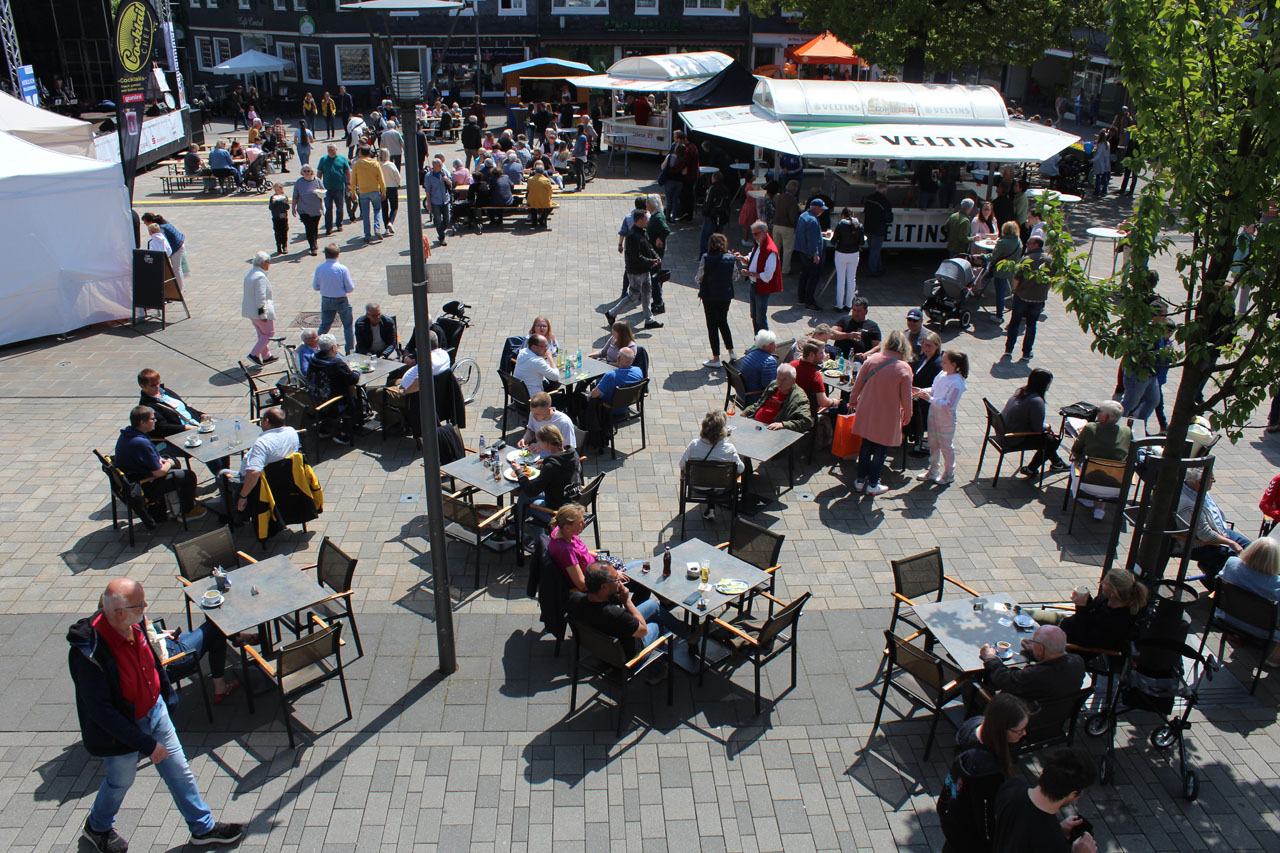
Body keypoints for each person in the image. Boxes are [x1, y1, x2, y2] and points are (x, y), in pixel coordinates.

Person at [68, 578, 245, 852]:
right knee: (120, 781)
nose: (146, 606)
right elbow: (102, 712)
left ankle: (202, 828)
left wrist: (166, 698)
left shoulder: (134, 623)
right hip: (121, 731)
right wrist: (147, 745)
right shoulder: (88, 653)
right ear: (118, 613)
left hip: (154, 712)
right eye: (140, 604)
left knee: (180, 772)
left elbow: (151, 660)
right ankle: (98, 826)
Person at [937, 694, 1030, 853]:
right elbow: (986, 822)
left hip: (953, 813)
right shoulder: (987, 772)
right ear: (1002, 730)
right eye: (1019, 731)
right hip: (969, 839)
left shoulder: (973, 726)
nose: (1024, 734)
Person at [567, 563, 691, 668]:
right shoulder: (616, 614)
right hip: (626, 657)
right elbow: (643, 630)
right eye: (615, 579)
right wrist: (627, 601)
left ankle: (688, 633)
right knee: (659, 625)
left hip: (599, 647)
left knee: (653, 605)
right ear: (603, 587)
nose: (619, 581)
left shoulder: (575, 598)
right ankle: (657, 671)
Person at [991, 747, 1098, 853]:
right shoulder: (1056, 846)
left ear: (1043, 772)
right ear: (1072, 794)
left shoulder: (1011, 788)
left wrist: (1057, 829)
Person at [113, 404, 207, 523]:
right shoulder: (141, 442)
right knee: (188, 476)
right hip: (145, 485)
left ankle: (176, 505)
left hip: (132, 477)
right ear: (142, 423)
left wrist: (161, 460)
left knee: (173, 464)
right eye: (152, 419)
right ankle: (186, 512)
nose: (155, 421)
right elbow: (159, 472)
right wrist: (169, 463)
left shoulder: (128, 433)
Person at [849, 330, 914, 497]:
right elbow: (906, 397)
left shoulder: (873, 359)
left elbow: (858, 383)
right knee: (880, 449)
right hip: (888, 414)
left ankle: (860, 480)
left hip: (867, 409)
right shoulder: (904, 368)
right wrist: (908, 414)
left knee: (865, 445)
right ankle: (873, 483)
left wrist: (853, 400)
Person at [1032, 568, 1147, 653]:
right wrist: (1086, 600)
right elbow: (1092, 610)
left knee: (1027, 640)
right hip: (1066, 623)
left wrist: (1081, 607)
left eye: (1104, 583)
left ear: (1113, 593)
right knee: (1023, 615)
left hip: (1066, 641)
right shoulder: (1106, 599)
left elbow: (1085, 639)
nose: (1101, 583)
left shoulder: (1118, 622)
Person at [977, 625, 1086, 710]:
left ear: (1041, 649)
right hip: (1057, 716)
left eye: (1034, 643)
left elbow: (1003, 679)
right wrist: (1035, 651)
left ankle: (975, 717)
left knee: (972, 683)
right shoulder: (1078, 662)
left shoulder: (1035, 675)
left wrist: (990, 658)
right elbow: (1055, 661)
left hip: (1023, 719)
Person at [226, 407, 301, 517]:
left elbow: (254, 473)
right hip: (287, 479)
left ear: (266, 421)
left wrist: (243, 496)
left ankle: (234, 517)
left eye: (261, 419)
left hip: (262, 485)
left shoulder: (262, 443)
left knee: (222, 474)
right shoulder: (292, 432)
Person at [1177, 469, 1252, 578]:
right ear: (1199, 482)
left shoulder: (1197, 489)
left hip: (1221, 532)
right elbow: (1205, 535)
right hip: (1202, 543)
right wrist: (1231, 543)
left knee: (1252, 548)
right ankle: (1219, 583)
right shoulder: (1188, 505)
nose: (1214, 481)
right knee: (1234, 559)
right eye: (1212, 479)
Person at [911, 350, 969, 485]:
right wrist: (921, 391)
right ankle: (933, 470)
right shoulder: (942, 374)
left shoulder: (957, 383)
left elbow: (949, 404)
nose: (941, 364)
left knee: (946, 446)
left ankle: (949, 474)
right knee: (933, 442)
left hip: (946, 419)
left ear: (954, 364)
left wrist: (930, 399)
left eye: (945, 362)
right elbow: (934, 389)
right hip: (934, 414)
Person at [1218, 538, 1280, 663]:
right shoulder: (1276, 585)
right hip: (1263, 631)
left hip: (1228, 617)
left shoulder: (1231, 564)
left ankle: (1236, 635)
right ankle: (1275, 658)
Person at [602, 209, 663, 330]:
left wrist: (655, 257)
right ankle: (611, 313)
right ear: (639, 220)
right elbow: (636, 256)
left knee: (647, 293)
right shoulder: (632, 236)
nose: (648, 221)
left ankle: (649, 320)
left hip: (645, 270)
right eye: (646, 219)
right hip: (636, 271)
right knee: (633, 295)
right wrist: (651, 262)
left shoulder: (643, 232)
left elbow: (649, 247)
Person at [680, 411, 744, 521]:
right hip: (722, 487)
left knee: (708, 478)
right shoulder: (729, 448)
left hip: (698, 486)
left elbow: (682, 465)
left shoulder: (694, 444)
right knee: (732, 478)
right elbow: (741, 469)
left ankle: (710, 508)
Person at [1002, 368, 1066, 477]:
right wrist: (1047, 426)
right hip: (1014, 438)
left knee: (1048, 439)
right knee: (1051, 441)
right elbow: (1037, 429)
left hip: (1005, 431)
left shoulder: (1021, 391)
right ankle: (1031, 469)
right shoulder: (1036, 401)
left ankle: (1057, 462)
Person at [1004, 233, 1051, 358]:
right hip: (1039, 298)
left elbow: (1017, 278)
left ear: (1036, 245)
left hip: (1022, 296)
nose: (1027, 245)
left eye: (1029, 243)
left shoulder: (1027, 259)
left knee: (1015, 322)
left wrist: (1015, 290)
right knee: (1031, 325)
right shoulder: (1049, 260)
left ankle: (1009, 349)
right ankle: (1026, 352)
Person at [695, 232, 737, 367]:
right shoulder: (730, 259)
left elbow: (699, 277)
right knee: (723, 322)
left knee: (712, 326)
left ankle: (716, 358)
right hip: (725, 296)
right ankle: (731, 352)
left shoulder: (706, 258)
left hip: (709, 296)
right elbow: (735, 276)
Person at [735, 220, 783, 333]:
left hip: (762, 288)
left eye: (756, 233)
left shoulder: (770, 250)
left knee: (760, 318)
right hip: (754, 286)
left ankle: (765, 344)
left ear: (765, 232)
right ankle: (758, 342)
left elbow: (767, 276)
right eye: (753, 234)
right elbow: (751, 259)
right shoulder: (759, 244)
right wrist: (742, 258)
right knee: (754, 316)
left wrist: (750, 274)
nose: (754, 236)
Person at [740, 363, 813, 432]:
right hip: (755, 424)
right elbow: (759, 403)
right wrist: (746, 412)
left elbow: (806, 422)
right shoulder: (774, 385)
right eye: (778, 378)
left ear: (793, 380)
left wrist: (783, 425)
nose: (780, 383)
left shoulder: (799, 397)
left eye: (784, 380)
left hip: (771, 432)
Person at [312, 244, 356, 354]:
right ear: (338, 254)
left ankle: (316, 348)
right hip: (341, 299)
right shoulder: (342, 269)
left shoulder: (320, 268)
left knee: (325, 325)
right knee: (348, 326)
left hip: (326, 299)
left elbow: (315, 286)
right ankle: (349, 351)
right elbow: (350, 288)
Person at [547, 504, 594, 592]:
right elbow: (582, 585)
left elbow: (579, 551)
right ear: (568, 528)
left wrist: (595, 555)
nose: (584, 523)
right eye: (580, 522)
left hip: (598, 566)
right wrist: (612, 578)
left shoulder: (559, 530)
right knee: (627, 580)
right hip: (597, 580)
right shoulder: (566, 550)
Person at [242, 251, 277, 366]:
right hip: (259, 311)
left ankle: (267, 356)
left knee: (261, 334)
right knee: (270, 333)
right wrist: (263, 314)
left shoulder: (250, 274)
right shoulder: (260, 277)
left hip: (250, 311)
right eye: (268, 262)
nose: (269, 264)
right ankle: (254, 354)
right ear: (262, 263)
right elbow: (261, 297)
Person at [794, 198, 826, 310]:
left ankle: (801, 298)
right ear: (816, 208)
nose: (822, 211)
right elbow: (812, 240)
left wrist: (821, 233)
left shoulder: (803, 216)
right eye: (821, 209)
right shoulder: (813, 220)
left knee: (804, 275)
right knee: (813, 277)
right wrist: (815, 254)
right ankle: (809, 301)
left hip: (802, 251)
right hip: (810, 253)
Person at [987, 221, 1023, 321]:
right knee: (1014, 291)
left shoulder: (1002, 242)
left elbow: (993, 256)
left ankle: (999, 315)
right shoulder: (1018, 241)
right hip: (1013, 269)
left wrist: (981, 256)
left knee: (1000, 293)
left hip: (1001, 270)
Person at [831, 207, 864, 311]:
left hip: (841, 253)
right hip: (854, 253)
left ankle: (839, 305)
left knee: (841, 280)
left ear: (842, 215)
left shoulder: (841, 224)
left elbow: (833, 241)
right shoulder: (858, 225)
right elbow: (862, 242)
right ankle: (849, 305)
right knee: (851, 279)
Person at [141, 214, 186, 290]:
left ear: (150, 222)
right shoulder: (162, 223)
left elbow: (164, 244)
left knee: (176, 269)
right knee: (176, 269)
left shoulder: (160, 229)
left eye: (145, 223)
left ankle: (179, 289)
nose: (146, 225)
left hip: (177, 247)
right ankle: (177, 287)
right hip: (178, 243)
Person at [350, 146, 385, 241]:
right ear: (370, 152)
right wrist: (383, 191)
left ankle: (367, 234)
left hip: (363, 191)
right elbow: (381, 179)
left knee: (365, 213)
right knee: (377, 209)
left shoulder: (357, 164)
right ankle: (377, 228)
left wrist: (353, 192)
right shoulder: (375, 163)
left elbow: (353, 180)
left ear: (360, 153)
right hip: (374, 190)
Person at [791, 339, 838, 410]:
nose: (824, 355)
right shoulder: (815, 375)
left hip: (790, 407)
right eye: (821, 353)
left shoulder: (791, 365)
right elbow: (823, 402)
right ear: (812, 355)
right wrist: (834, 401)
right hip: (806, 412)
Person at [831, 297, 882, 363]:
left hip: (858, 361)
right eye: (854, 310)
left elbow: (877, 346)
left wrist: (865, 355)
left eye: (859, 311)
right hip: (839, 358)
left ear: (866, 312)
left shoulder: (873, 326)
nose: (855, 313)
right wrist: (848, 335)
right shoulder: (844, 319)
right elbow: (831, 333)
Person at [316, 143, 350, 235]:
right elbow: (319, 172)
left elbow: (347, 171)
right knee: (328, 208)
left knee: (340, 207)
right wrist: (318, 184)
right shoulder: (323, 159)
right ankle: (328, 227)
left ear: (336, 150)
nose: (331, 152)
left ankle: (339, 224)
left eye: (332, 150)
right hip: (327, 188)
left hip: (339, 187)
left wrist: (348, 183)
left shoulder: (342, 159)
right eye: (329, 150)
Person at [291, 164, 324, 257]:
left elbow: (324, 191)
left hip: (316, 208)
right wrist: (293, 208)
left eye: (308, 171)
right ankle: (312, 246)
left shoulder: (317, 181)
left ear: (311, 172)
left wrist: (319, 192)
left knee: (314, 227)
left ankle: (315, 241)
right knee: (309, 227)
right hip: (303, 209)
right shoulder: (299, 182)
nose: (306, 173)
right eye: (304, 171)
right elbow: (295, 196)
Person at [737, 330, 779, 401]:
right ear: (764, 346)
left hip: (741, 393)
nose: (775, 345)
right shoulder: (769, 362)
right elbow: (769, 386)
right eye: (772, 344)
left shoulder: (751, 352)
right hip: (753, 397)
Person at [646, 194, 671, 312]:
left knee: (654, 277)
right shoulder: (655, 215)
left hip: (656, 253)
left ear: (653, 204)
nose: (646, 204)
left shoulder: (658, 217)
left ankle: (658, 302)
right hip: (653, 251)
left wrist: (660, 239)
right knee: (653, 276)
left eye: (648, 202)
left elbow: (666, 230)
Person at [862, 181, 892, 277]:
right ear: (884, 192)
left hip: (867, 227)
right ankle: (872, 271)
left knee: (874, 249)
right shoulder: (885, 202)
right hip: (878, 229)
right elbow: (888, 219)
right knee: (875, 251)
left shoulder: (868, 198)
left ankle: (879, 268)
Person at [771, 180, 801, 275]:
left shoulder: (778, 198)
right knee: (787, 250)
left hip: (776, 225)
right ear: (795, 190)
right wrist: (795, 226)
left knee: (775, 248)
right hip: (787, 227)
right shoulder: (792, 201)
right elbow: (793, 217)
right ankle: (785, 270)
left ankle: (773, 267)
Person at [424, 158, 453, 246]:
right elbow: (428, 191)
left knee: (447, 219)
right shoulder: (429, 176)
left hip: (445, 199)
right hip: (435, 201)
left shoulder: (444, 172)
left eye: (441, 165)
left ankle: (441, 231)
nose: (441, 166)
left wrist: (447, 180)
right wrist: (428, 204)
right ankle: (441, 237)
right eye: (439, 165)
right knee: (437, 220)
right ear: (434, 166)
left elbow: (450, 183)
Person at [378, 149, 401, 236]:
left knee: (384, 208)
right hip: (392, 187)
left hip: (382, 188)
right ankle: (391, 222)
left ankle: (386, 229)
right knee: (394, 207)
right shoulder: (391, 164)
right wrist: (398, 184)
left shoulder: (378, 165)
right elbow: (397, 176)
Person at [526, 164, 555, 229]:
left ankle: (534, 222)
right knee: (550, 206)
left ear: (535, 171)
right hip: (544, 201)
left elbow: (528, 189)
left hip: (532, 201)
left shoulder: (530, 179)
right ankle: (542, 219)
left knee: (533, 205)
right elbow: (550, 191)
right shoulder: (547, 180)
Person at [266, 183, 290, 255]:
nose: (277, 191)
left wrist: (285, 203)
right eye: (275, 190)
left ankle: (284, 246)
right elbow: (270, 208)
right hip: (276, 217)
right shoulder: (273, 197)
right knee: (277, 232)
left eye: (278, 190)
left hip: (283, 217)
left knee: (284, 232)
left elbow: (287, 207)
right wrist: (273, 203)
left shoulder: (284, 197)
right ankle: (278, 247)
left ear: (281, 189)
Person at [1091, 130, 1112, 197]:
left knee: (1098, 177)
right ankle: (1104, 190)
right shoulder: (1107, 144)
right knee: (1105, 176)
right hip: (1106, 162)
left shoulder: (1100, 144)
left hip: (1100, 162)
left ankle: (1097, 191)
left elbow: (1099, 154)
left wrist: (1092, 160)